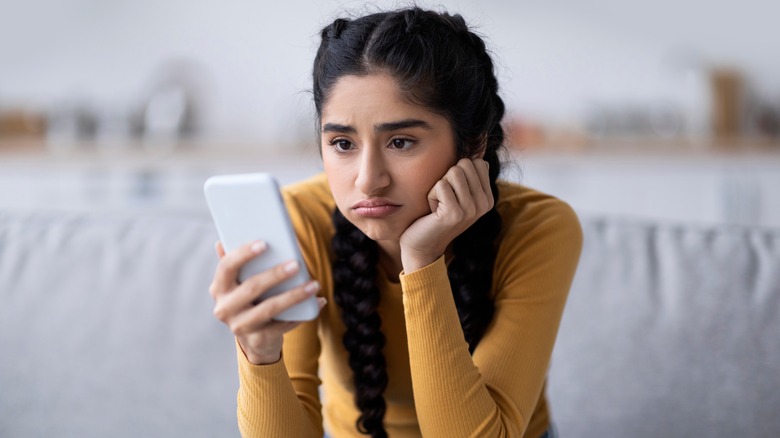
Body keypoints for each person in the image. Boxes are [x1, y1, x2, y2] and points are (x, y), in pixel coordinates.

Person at [209, 6, 582, 438]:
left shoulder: (539, 228)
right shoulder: (301, 219)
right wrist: (260, 352)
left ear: (474, 144)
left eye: (401, 141)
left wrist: (422, 259)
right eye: (343, 143)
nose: (368, 180)